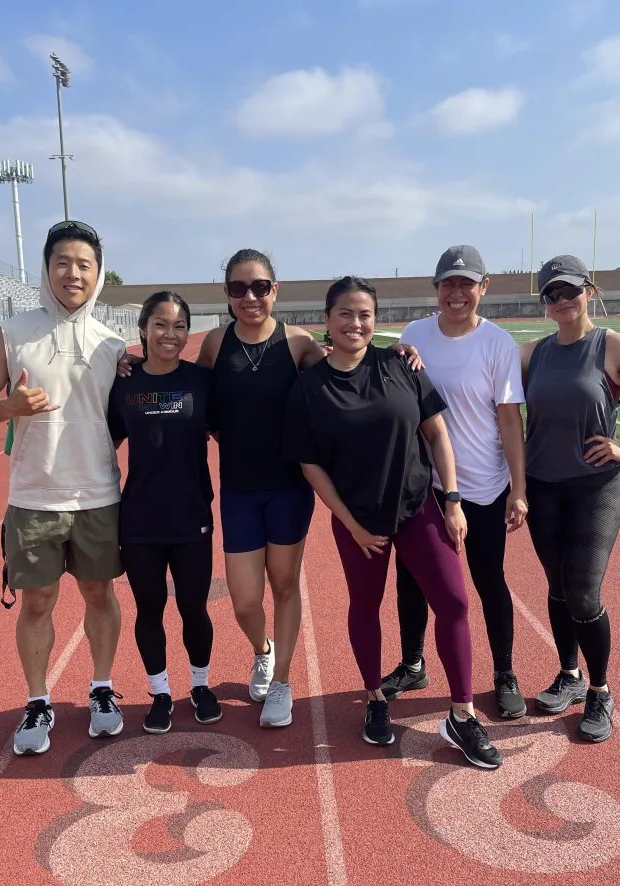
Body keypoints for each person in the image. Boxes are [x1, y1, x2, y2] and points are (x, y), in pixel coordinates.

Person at [194, 249, 421, 729]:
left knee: (283, 583)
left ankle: (281, 683)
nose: (250, 297)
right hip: (237, 487)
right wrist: (131, 369)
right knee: (244, 600)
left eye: (260, 287)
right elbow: (195, 398)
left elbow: (348, 371)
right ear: (228, 294)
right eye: (239, 288)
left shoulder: (297, 343)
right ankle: (263, 650)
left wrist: (395, 354)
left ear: (275, 290)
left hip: (289, 488)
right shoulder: (215, 343)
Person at [284, 276, 503, 770]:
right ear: (327, 320)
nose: (355, 323)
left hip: (417, 506)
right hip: (359, 520)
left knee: (453, 600)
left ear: (374, 320)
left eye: (364, 314)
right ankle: (376, 700)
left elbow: (437, 433)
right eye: (344, 314)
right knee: (366, 604)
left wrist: (452, 499)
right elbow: (310, 464)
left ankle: (462, 714)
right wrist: (349, 523)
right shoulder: (310, 387)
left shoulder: (400, 364)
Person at [0, 220, 127, 756]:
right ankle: (38, 700)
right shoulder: (11, 333)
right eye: (63, 262)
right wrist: (12, 406)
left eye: (84, 264)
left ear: (98, 274)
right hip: (34, 496)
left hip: (98, 494)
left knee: (99, 594)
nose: (73, 273)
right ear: (46, 268)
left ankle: (102, 688)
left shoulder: (114, 344)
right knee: (37, 601)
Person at [522, 255, 620, 742]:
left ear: (589, 290)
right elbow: (474, 376)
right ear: (544, 301)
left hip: (595, 486)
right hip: (542, 485)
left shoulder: (613, 346)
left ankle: (600, 690)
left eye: (569, 289)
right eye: (551, 293)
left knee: (583, 592)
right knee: (555, 584)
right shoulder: (532, 353)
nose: (561, 300)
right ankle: (568, 675)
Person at [380, 245, 529, 719]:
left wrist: (519, 488)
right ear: (436, 289)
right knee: (412, 581)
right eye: (448, 283)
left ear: (483, 288)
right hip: (422, 486)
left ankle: (504, 673)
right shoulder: (415, 333)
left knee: (489, 581)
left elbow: (509, 421)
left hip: (483, 487)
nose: (457, 293)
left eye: (467, 284)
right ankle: (412, 663)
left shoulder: (498, 344)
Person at [107, 291, 221, 735]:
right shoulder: (123, 382)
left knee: (194, 608)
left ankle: (201, 686)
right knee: (148, 608)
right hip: (139, 519)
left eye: (178, 326)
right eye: (160, 324)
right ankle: (159, 693)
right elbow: (106, 440)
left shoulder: (202, 382)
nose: (169, 334)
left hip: (192, 515)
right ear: (143, 330)